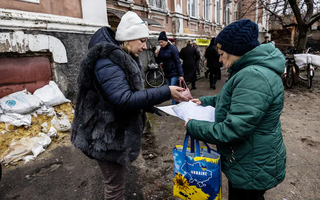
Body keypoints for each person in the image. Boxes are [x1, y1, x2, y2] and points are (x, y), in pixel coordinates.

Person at [71, 11, 190, 200]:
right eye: (142, 41)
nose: (145, 46)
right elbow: (123, 98)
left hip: (112, 132)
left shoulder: (120, 55)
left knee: (116, 183)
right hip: (105, 137)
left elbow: (127, 94)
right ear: (128, 38)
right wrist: (166, 91)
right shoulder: (107, 60)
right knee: (114, 187)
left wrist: (151, 104)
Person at [185, 19, 286, 200]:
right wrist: (206, 101)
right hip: (249, 158)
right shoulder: (250, 71)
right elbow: (236, 100)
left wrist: (193, 126)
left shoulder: (254, 76)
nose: (220, 59)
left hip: (251, 163)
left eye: (222, 53)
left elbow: (233, 129)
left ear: (236, 52)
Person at [155, 31, 184, 104]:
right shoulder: (161, 49)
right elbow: (158, 61)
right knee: (169, 89)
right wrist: (156, 55)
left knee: (172, 89)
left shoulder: (173, 48)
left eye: (162, 42)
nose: (160, 44)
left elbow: (178, 62)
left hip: (174, 72)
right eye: (159, 42)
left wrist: (181, 75)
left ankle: (173, 105)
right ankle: (178, 100)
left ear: (166, 41)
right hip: (166, 71)